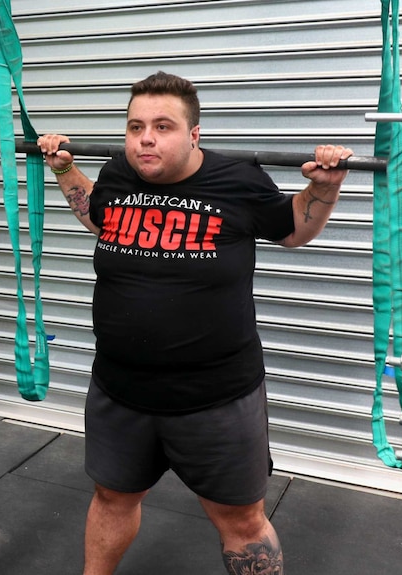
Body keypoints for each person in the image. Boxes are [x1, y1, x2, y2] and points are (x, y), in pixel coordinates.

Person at [38, 71, 352, 575]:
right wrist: (65, 171)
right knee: (113, 498)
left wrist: (325, 189)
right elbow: (98, 217)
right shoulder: (118, 175)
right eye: (136, 126)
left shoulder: (239, 182)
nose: (146, 138)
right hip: (120, 390)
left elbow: (294, 230)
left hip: (216, 398)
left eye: (163, 126)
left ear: (194, 134)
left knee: (243, 523)